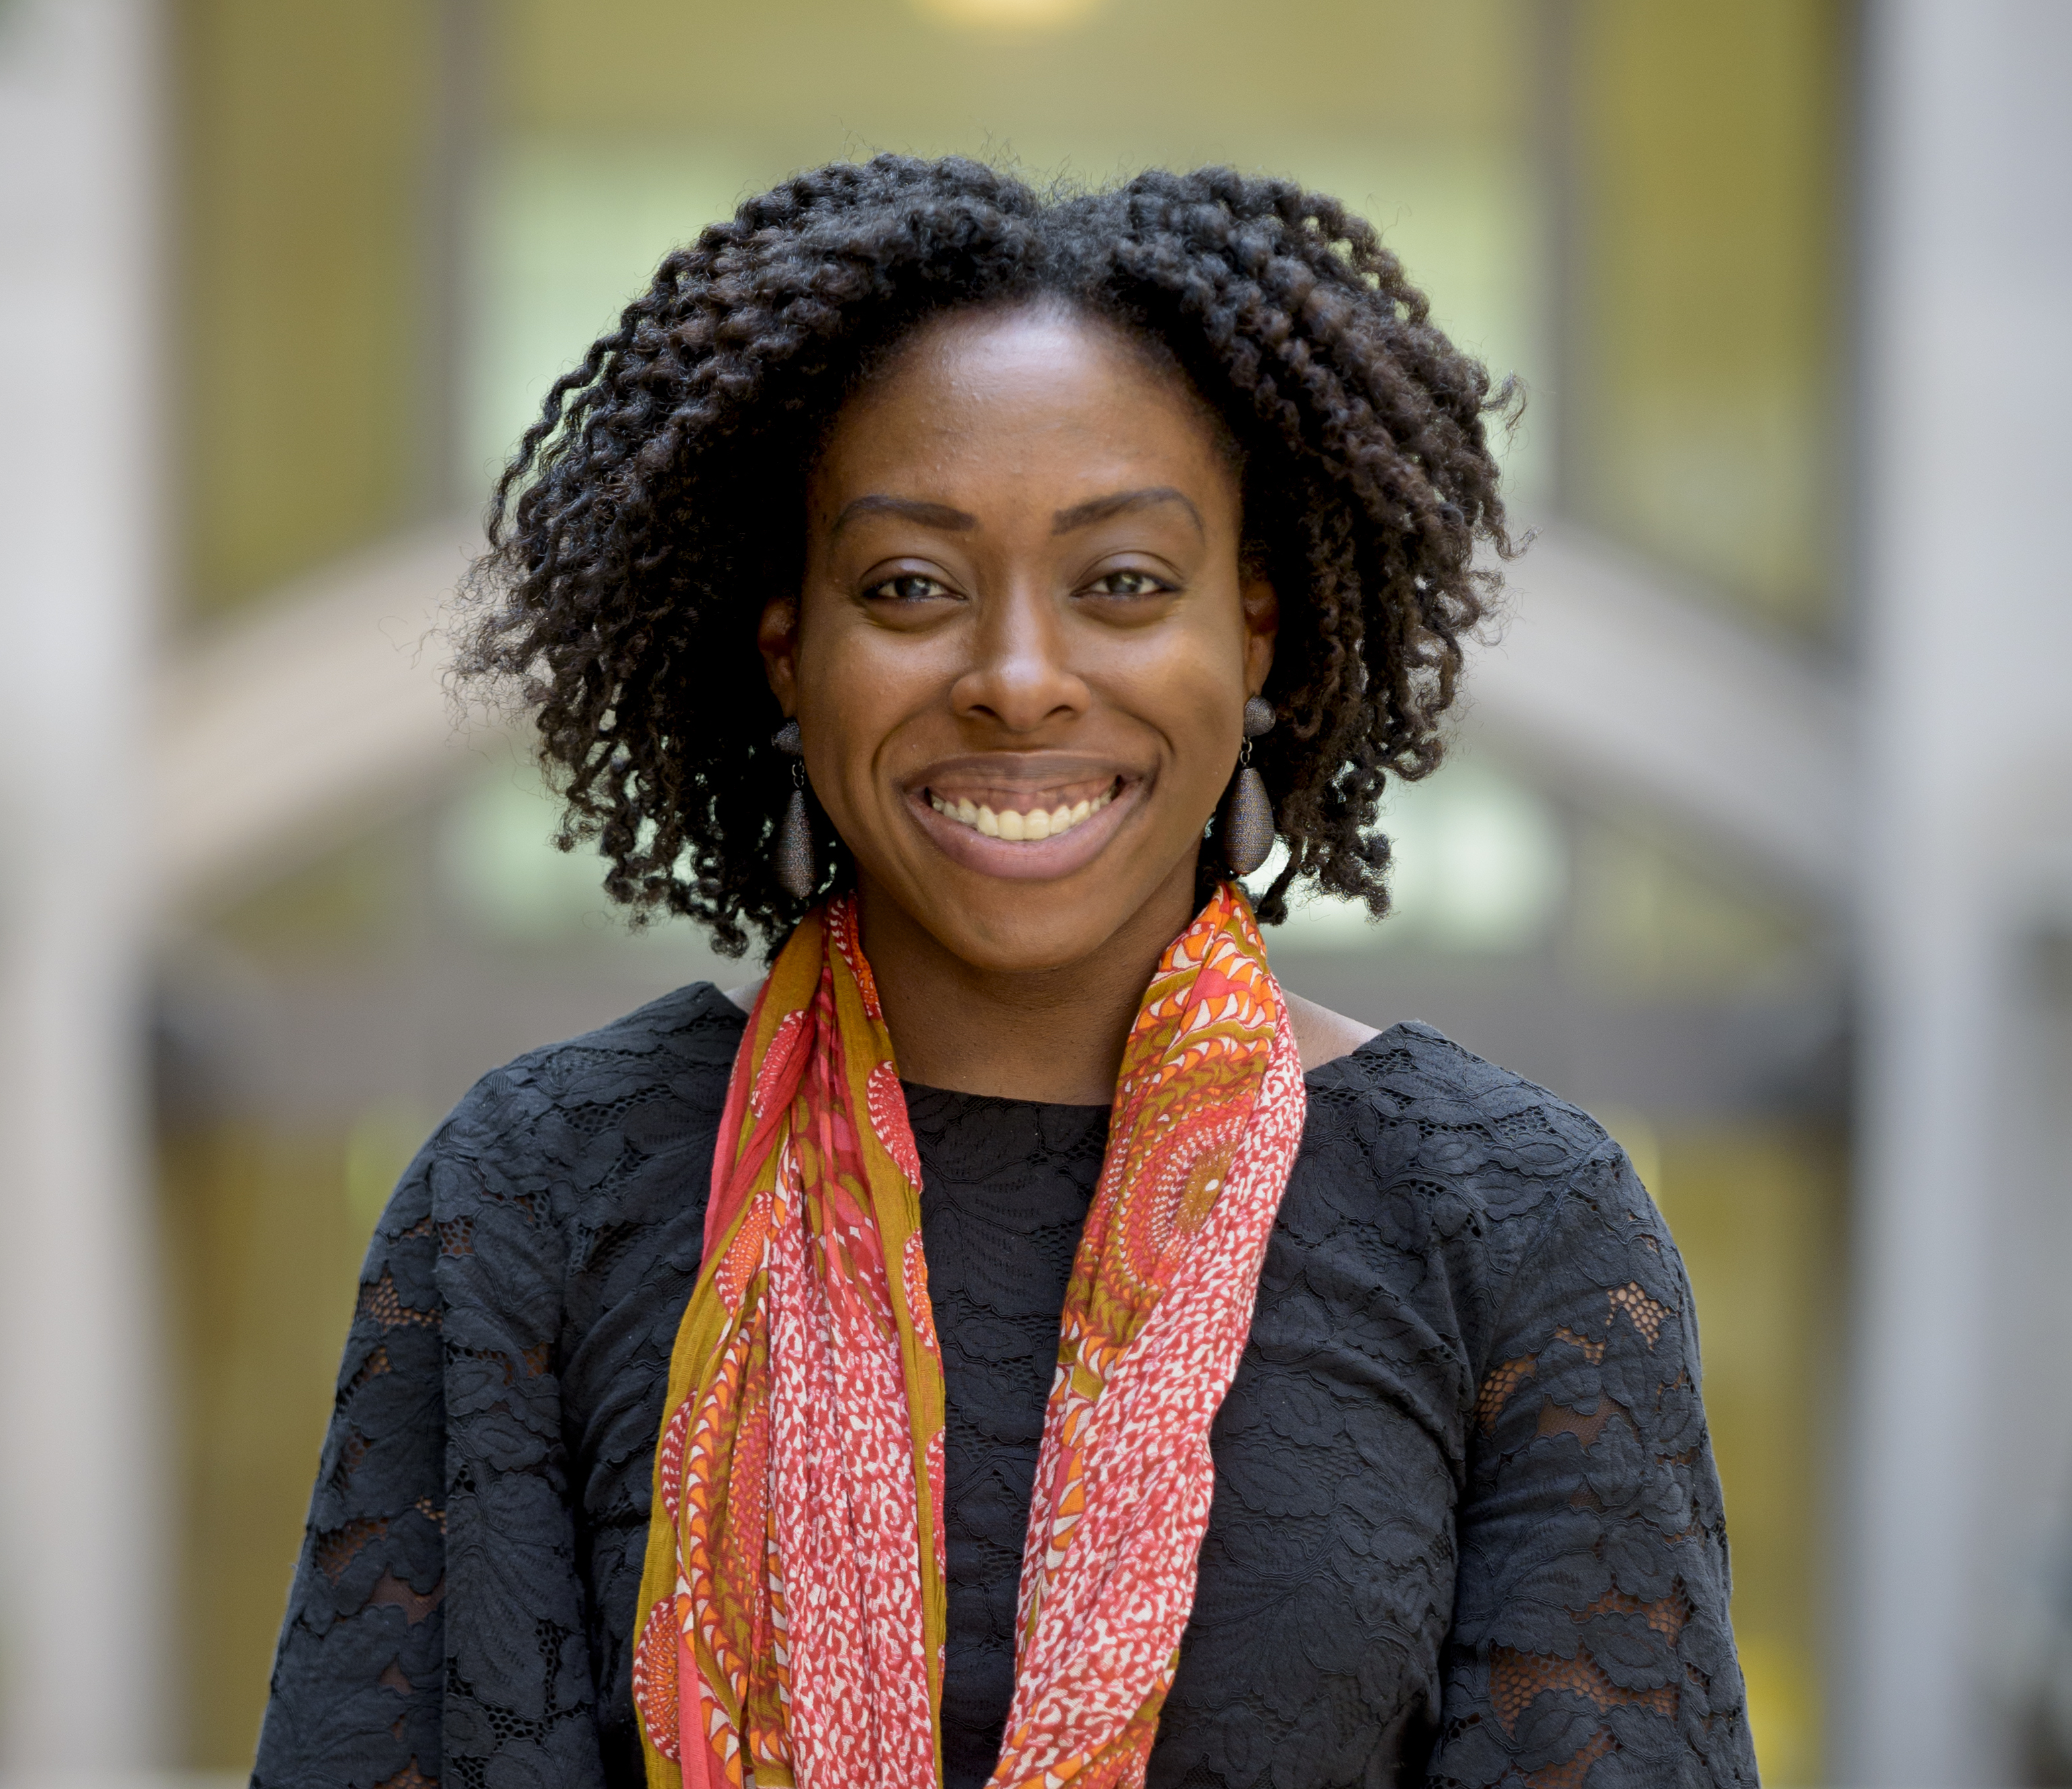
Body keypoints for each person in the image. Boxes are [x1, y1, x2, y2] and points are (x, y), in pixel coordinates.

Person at [250, 156, 1758, 1789]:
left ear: (1250, 639)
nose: (1018, 680)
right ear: (790, 651)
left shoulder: (1513, 1228)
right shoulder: (534, 1199)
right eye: (909, 586)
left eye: (1122, 584)